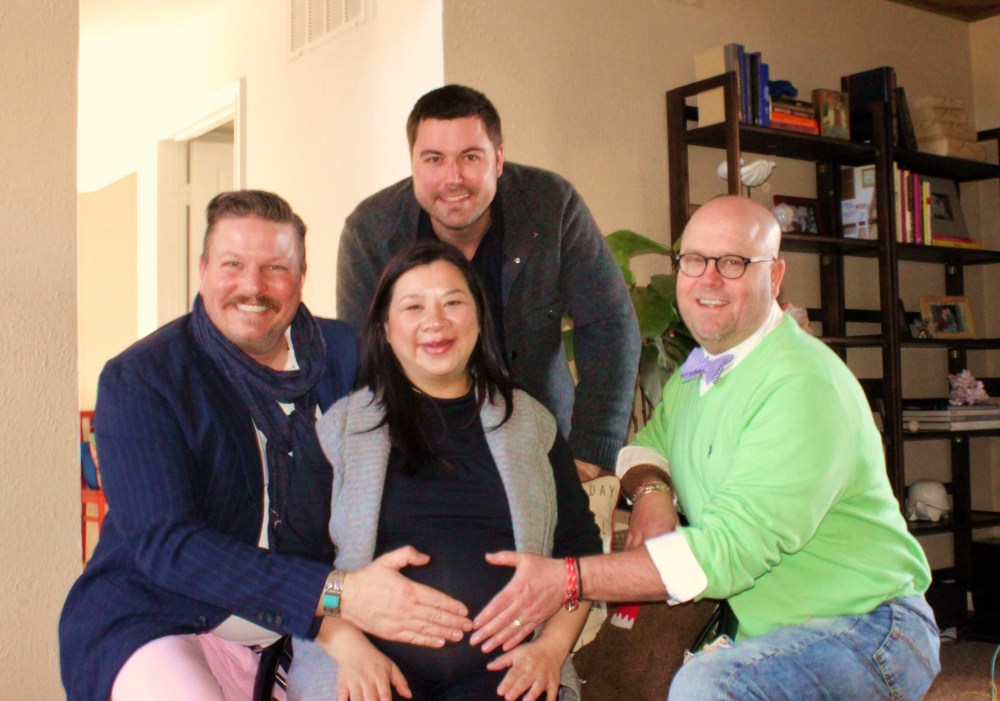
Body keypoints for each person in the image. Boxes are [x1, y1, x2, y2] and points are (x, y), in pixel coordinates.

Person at [469, 196, 941, 700]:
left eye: (734, 262)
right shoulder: (702, 369)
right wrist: (652, 492)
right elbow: (645, 445)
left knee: (709, 686)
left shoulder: (801, 385)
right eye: (693, 260)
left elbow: (727, 553)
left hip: (873, 629)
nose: (708, 279)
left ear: (775, 277)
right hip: (778, 633)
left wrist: (570, 578)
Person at [59, 191, 472, 701]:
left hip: (302, 632)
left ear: (301, 278)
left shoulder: (348, 355)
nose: (252, 287)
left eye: (275, 267)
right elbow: (168, 547)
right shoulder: (143, 379)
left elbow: (407, 464)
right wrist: (338, 598)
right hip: (160, 617)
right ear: (205, 269)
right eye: (233, 264)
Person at [289, 241, 602, 701]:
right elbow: (296, 566)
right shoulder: (341, 428)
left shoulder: (532, 424)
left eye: (453, 303)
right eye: (413, 306)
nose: (435, 322)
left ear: (479, 318)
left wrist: (551, 650)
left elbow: (581, 556)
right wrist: (350, 647)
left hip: (509, 671)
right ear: (386, 328)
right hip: (364, 665)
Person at [336, 84, 640, 479]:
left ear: (498, 159)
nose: (453, 177)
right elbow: (365, 363)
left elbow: (610, 324)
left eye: (470, 156)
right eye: (433, 159)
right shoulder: (369, 232)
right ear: (412, 162)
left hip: (543, 448)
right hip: (423, 455)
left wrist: (589, 453)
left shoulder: (551, 205)